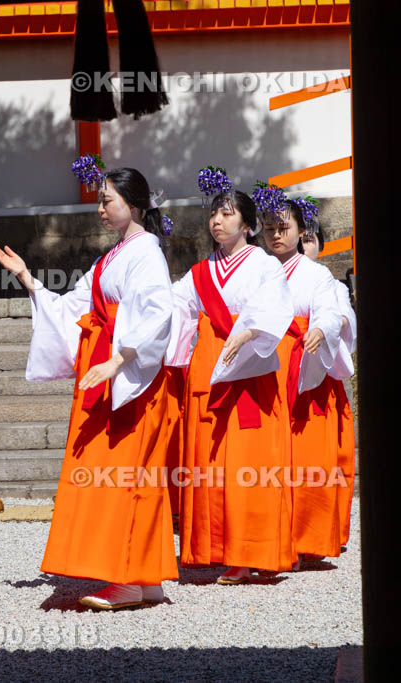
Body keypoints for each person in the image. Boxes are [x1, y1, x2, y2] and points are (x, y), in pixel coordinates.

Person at [0, 167, 177, 610]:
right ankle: (144, 578)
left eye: (107, 199)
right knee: (125, 475)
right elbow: (73, 305)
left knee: (126, 475)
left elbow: (158, 314)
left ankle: (129, 577)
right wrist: (27, 279)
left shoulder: (145, 252)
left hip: (130, 378)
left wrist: (117, 359)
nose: (100, 208)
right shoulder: (114, 256)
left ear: (131, 204)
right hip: (111, 372)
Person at [165, 186, 297, 585]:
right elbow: (175, 307)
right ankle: (213, 546)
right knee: (209, 460)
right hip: (209, 364)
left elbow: (272, 305)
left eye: (226, 214)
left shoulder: (263, 264)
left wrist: (249, 330)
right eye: (213, 214)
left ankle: (250, 549)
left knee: (249, 462)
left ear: (248, 223)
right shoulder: (201, 271)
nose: (217, 221)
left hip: (249, 368)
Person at [262, 198, 346, 563]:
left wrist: (322, 328)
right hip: (263, 366)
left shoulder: (317, 275)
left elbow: (330, 311)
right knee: (266, 457)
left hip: (302, 364)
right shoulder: (256, 268)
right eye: (269, 228)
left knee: (305, 457)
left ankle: (304, 538)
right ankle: (268, 537)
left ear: (300, 230)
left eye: (284, 228)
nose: (276, 235)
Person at [300, 216, 357, 549]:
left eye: (311, 239)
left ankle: (327, 527)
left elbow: (347, 328)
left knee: (327, 455)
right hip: (287, 370)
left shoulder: (332, 285)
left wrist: (326, 327)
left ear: (321, 244)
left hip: (322, 375)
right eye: (301, 237)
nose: (306, 245)